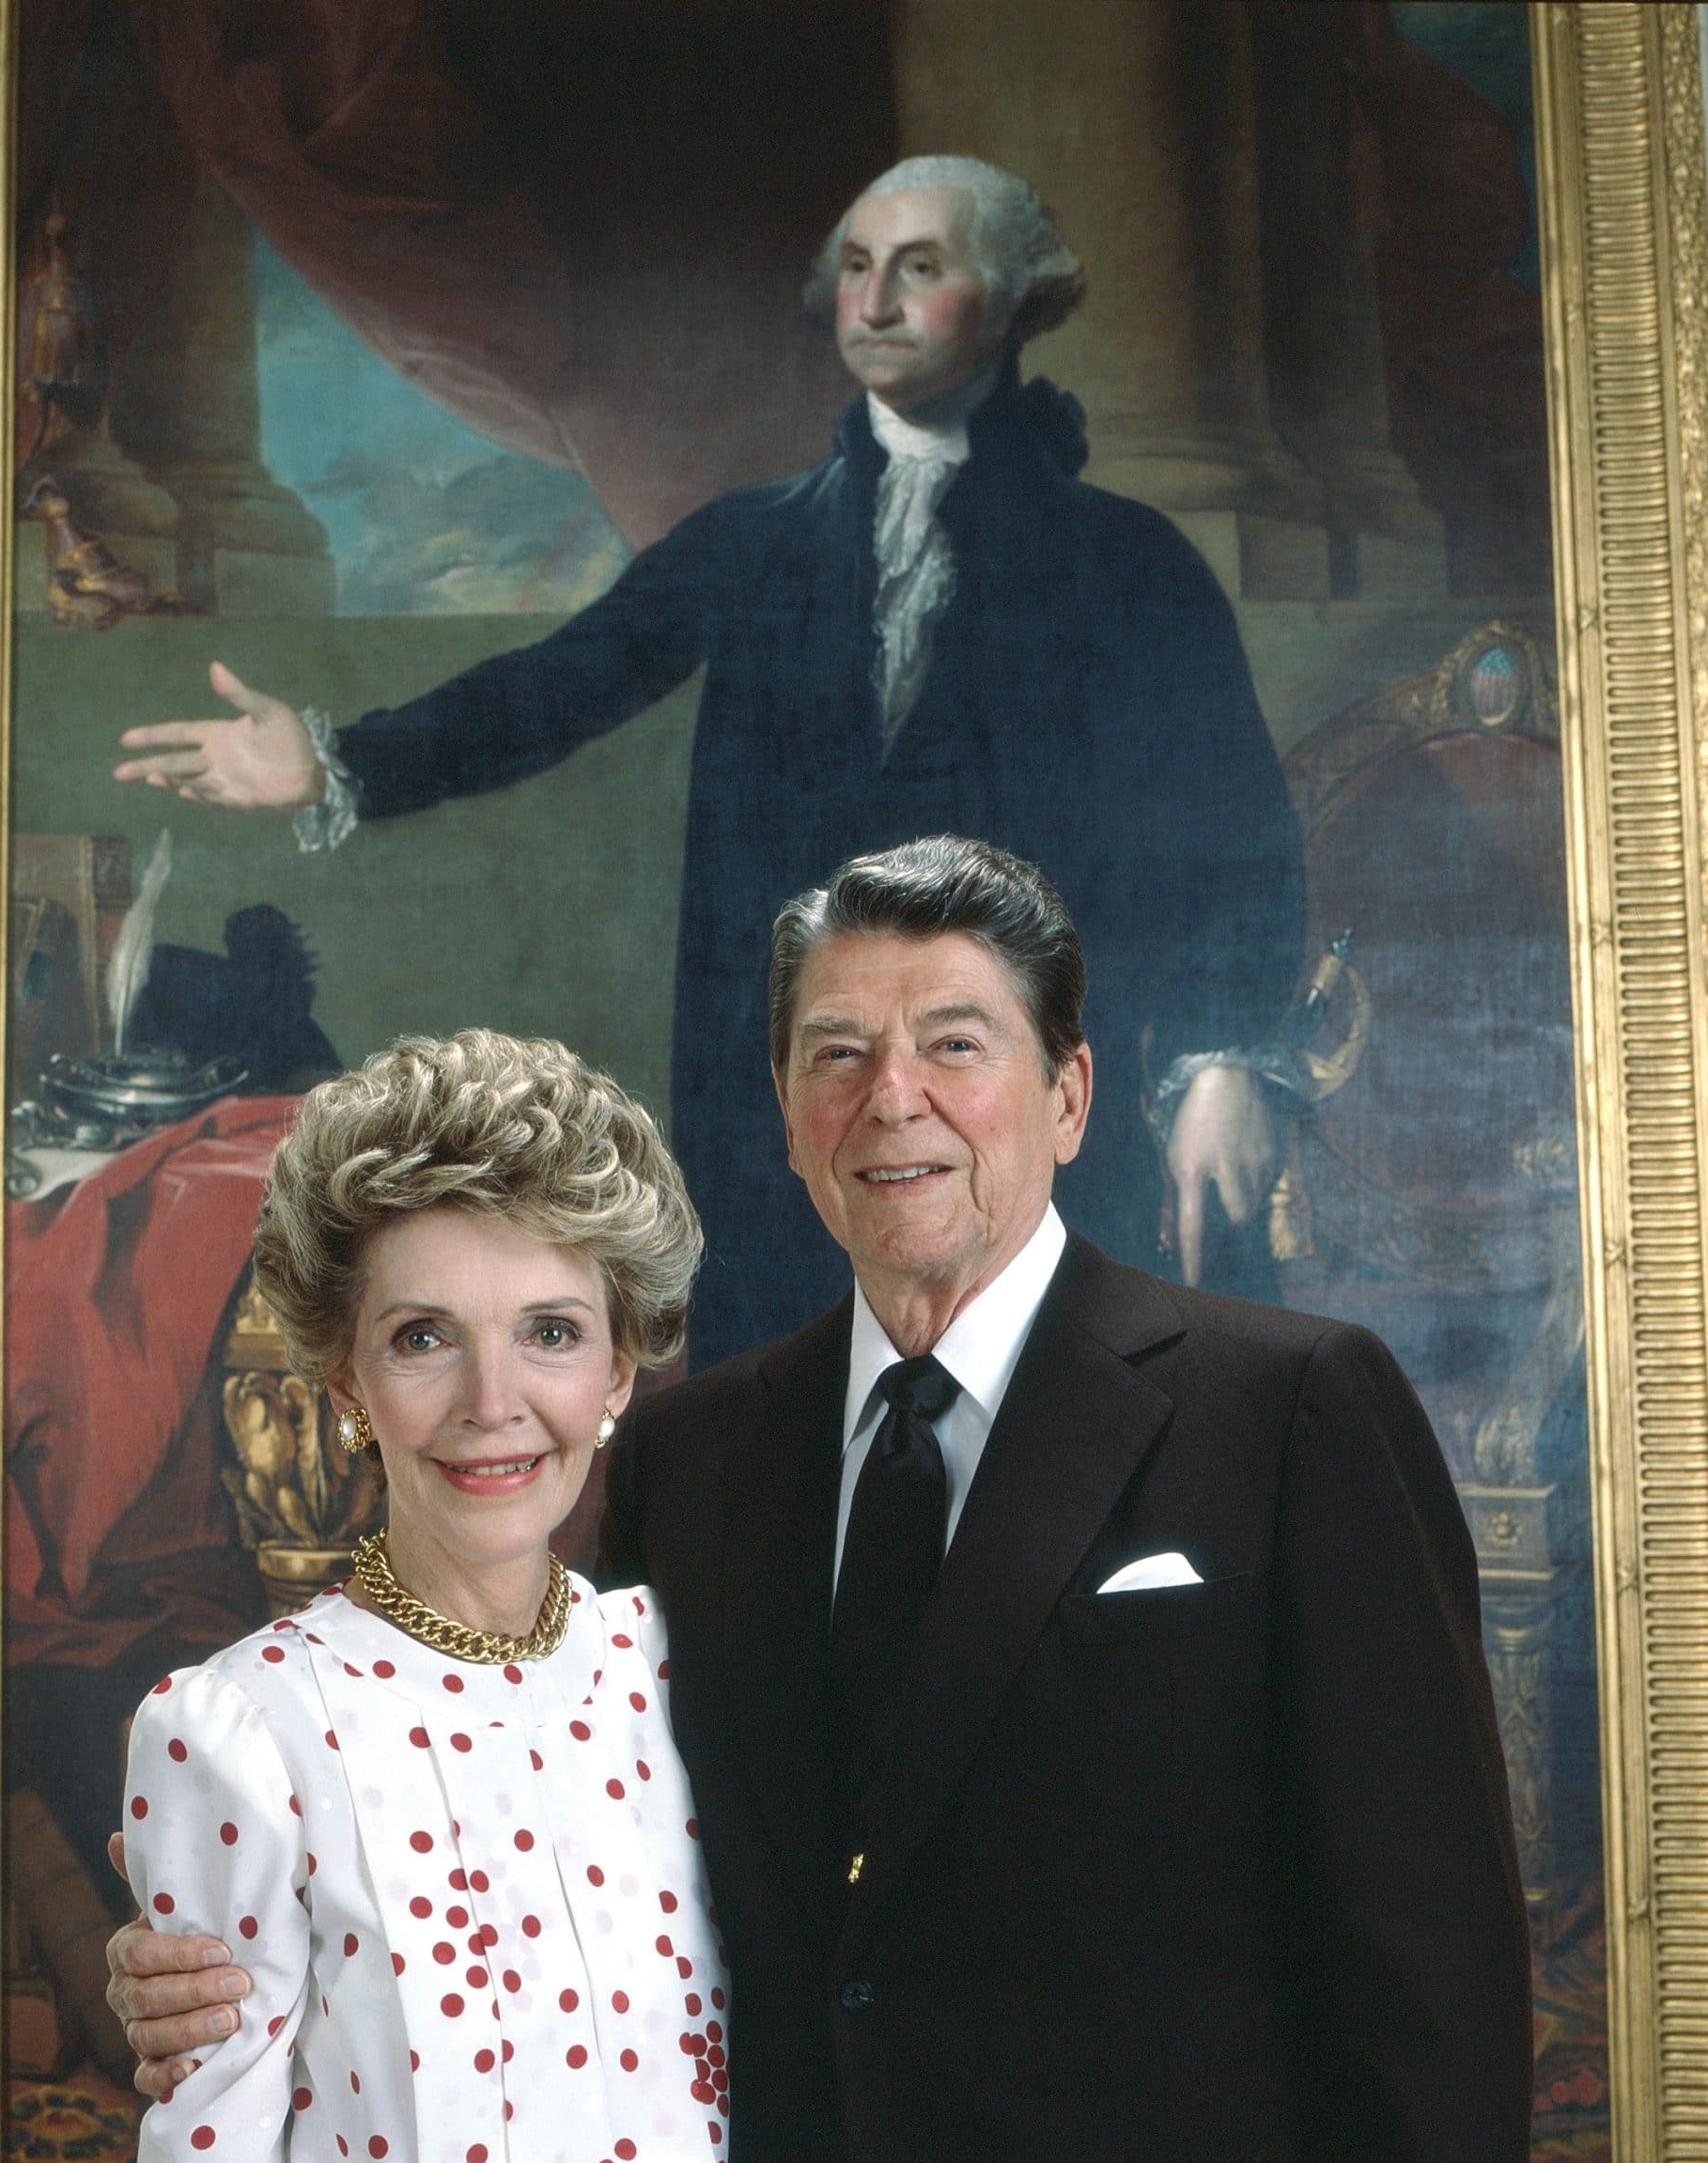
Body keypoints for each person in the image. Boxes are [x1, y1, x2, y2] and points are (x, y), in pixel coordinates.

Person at [112, 837, 1532, 2163]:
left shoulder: (1287, 1410)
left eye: (954, 1044)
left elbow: (1434, 1993)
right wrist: (219, 1955)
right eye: (837, 1054)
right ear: (789, 1116)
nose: (892, 1096)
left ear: (1068, 1095)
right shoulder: (700, 1455)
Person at [112, 154, 1304, 1366]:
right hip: (793, 1110)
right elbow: (553, 688)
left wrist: (1224, 1062)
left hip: (1020, 1108)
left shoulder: (1129, 564)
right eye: (855, 268)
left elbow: (1234, 837)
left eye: (921, 268)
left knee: (1041, 1421)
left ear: (1009, 299)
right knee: (784, 1429)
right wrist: (330, 763)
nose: (876, 301)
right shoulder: (754, 541)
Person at [99, 1029, 740, 2163]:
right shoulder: (242, 1733)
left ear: (621, 1371)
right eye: (424, 1338)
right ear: (345, 1380)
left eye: (552, 1335)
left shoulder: (695, 1676)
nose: (492, 1406)